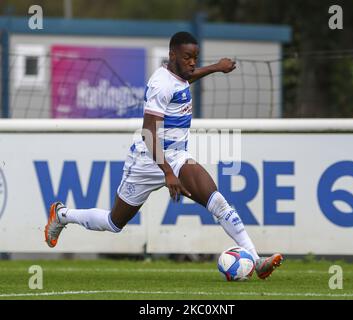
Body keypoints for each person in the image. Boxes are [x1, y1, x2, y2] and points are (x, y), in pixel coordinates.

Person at [45, 31, 283, 279]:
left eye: (195, 57)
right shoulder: (160, 84)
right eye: (188, 57)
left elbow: (188, 76)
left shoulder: (178, 75)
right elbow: (149, 131)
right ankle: (62, 215)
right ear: (172, 55)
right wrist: (167, 172)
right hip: (147, 161)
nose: (192, 62)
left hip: (178, 157)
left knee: (218, 202)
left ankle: (256, 261)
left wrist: (216, 67)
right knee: (115, 223)